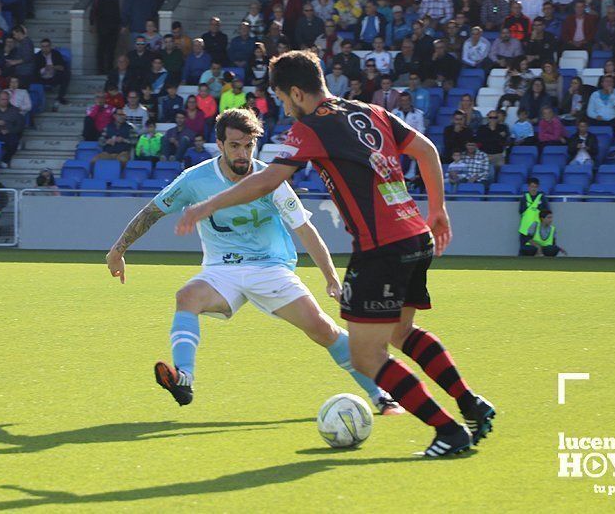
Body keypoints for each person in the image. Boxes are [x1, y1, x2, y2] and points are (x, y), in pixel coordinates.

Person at [174, 51, 495, 457]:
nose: (284, 108)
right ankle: (471, 405)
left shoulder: (312, 127)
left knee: (364, 355)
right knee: (400, 333)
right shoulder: (371, 111)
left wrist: (206, 206)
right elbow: (427, 149)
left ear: (295, 92)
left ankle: (448, 431)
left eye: (282, 99)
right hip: (415, 233)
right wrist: (437, 209)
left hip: (382, 247)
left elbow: (267, 180)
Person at [106, 108, 402, 416]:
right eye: (235, 145)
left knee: (323, 330)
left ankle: (380, 395)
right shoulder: (195, 180)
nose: (243, 153)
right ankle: (184, 377)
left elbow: (304, 228)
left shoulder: (269, 179)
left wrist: (330, 277)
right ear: (219, 145)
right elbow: (153, 211)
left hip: (270, 268)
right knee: (187, 297)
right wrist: (119, 249)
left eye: (249, 145)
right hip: (222, 270)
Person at [35, 38, 69, 105]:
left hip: (54, 76)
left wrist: (53, 67)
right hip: (41, 78)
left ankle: (60, 96)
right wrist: (44, 69)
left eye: (47, 46)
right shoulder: (37, 56)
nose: (45, 48)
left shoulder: (56, 54)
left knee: (66, 74)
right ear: (41, 47)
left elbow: (63, 67)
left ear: (50, 47)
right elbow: (35, 70)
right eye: (43, 46)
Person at [518, 176, 549, 246]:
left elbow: (546, 212)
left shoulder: (542, 198)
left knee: (537, 251)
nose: (533, 189)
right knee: (524, 251)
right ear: (528, 187)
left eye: (535, 187)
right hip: (525, 230)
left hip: (538, 230)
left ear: (538, 187)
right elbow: (521, 211)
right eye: (532, 187)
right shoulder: (524, 198)